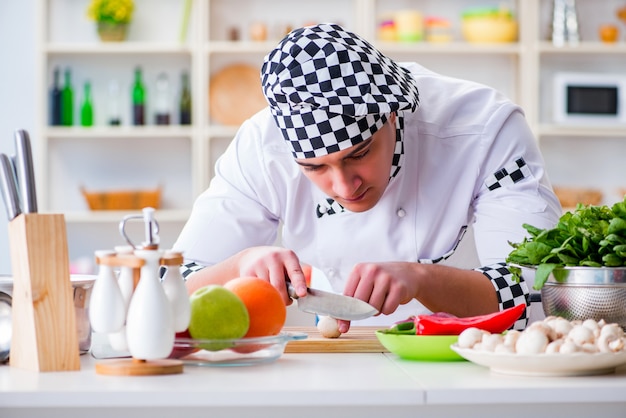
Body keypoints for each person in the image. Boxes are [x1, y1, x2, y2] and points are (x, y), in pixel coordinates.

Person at [173, 23, 561, 333]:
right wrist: (241, 264)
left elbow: (538, 291)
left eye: (358, 154)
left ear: (394, 115)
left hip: (470, 347)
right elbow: (168, 284)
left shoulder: (485, 129)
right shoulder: (261, 149)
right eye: (315, 168)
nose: (344, 187)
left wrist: (422, 279)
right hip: (341, 344)